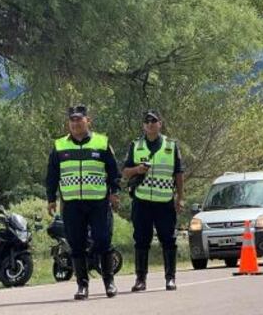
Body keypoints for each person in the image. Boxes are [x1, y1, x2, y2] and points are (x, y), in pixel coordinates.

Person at [46, 104, 121, 300]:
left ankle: (109, 282)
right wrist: (51, 198)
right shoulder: (59, 145)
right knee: (76, 244)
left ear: (88, 121)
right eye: (72, 120)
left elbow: (114, 171)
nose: (75, 123)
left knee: (103, 240)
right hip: (71, 204)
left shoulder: (102, 142)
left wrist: (114, 192)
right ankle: (82, 286)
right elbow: (52, 175)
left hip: (98, 203)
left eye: (79, 119)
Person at [121, 110, 184, 291]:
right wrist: (137, 170)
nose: (150, 124)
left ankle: (170, 278)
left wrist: (180, 197)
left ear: (160, 124)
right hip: (142, 201)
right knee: (141, 240)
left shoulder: (171, 146)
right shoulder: (136, 145)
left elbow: (178, 174)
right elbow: (125, 172)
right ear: (143, 125)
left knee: (168, 240)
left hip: (164, 201)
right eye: (147, 122)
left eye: (154, 121)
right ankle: (140, 279)